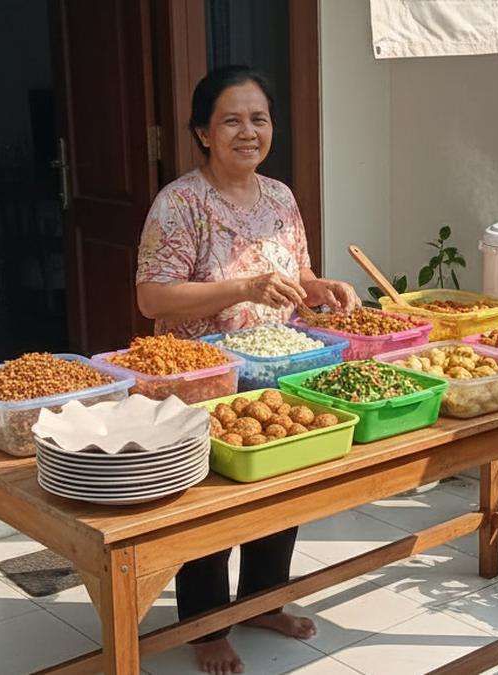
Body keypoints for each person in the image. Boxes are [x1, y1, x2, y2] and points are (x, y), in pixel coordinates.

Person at [135, 65, 359, 675]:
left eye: (258, 119)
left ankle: (263, 601)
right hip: (202, 378)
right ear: (203, 133)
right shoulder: (180, 203)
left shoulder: (282, 197)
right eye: (230, 120)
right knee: (210, 500)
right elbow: (153, 297)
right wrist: (246, 285)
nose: (247, 132)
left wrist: (322, 288)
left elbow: (296, 282)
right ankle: (204, 625)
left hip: (281, 366)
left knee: (280, 487)